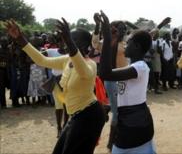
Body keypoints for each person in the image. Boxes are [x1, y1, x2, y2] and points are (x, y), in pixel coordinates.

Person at [5, 18, 105, 154]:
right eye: (64, 38)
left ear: (82, 44)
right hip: (76, 116)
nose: (63, 41)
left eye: (69, 39)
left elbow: (83, 71)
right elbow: (41, 60)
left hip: (89, 116)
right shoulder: (67, 60)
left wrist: (69, 41)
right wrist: (21, 38)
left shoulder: (90, 64)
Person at [98, 11, 156, 154]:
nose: (125, 45)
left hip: (134, 124)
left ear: (136, 46)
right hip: (132, 122)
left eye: (128, 43)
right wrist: (111, 40)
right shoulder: (131, 67)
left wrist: (106, 38)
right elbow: (110, 70)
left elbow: (105, 73)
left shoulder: (140, 67)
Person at [92, 14, 128, 151]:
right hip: (112, 81)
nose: (122, 31)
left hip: (123, 80)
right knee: (117, 112)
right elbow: (94, 44)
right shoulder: (106, 43)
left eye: (123, 29)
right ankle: (111, 143)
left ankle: (115, 138)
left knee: (121, 109)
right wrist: (97, 26)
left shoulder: (123, 43)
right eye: (119, 28)